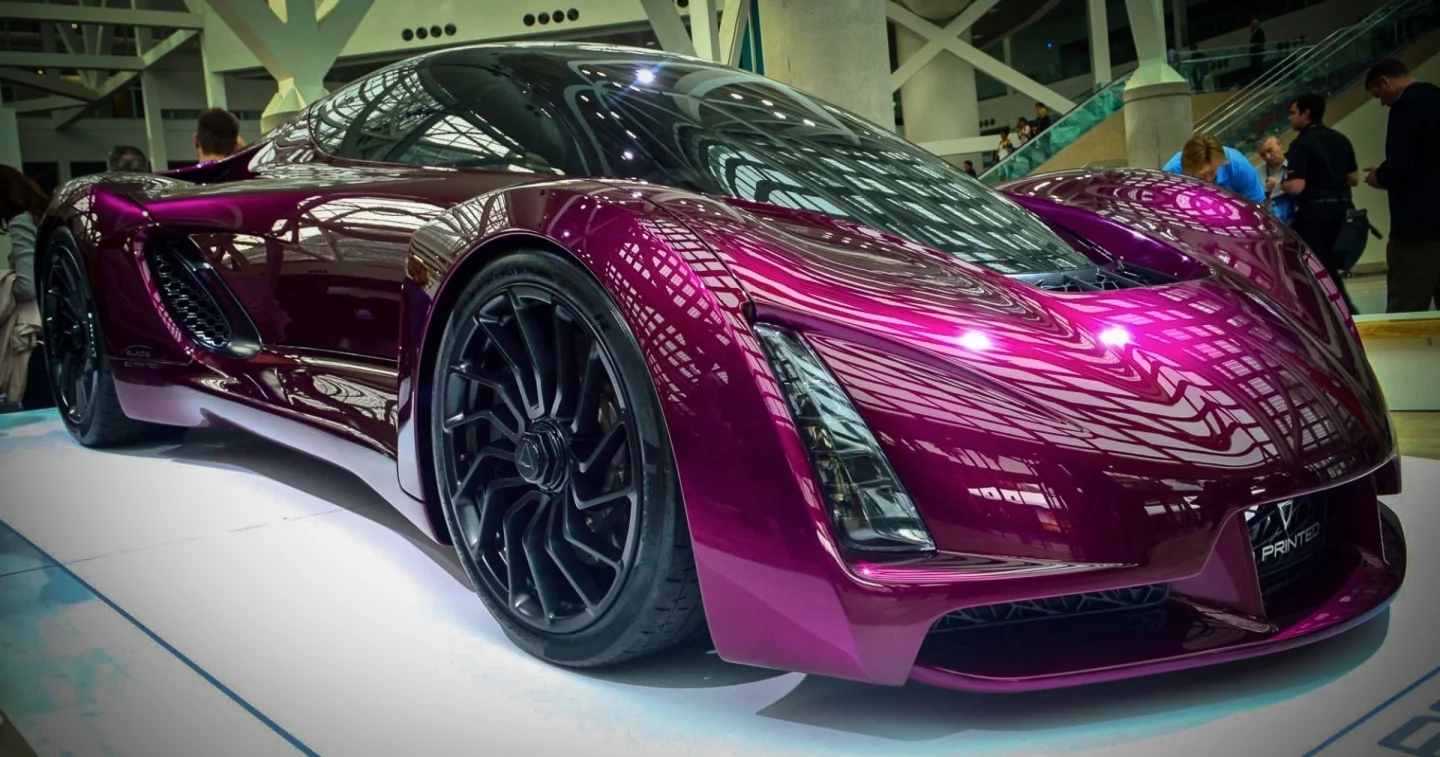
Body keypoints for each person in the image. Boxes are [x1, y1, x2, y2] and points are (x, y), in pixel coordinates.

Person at [1362, 59, 1440, 312]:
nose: (1383, 102)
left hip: (1417, 226)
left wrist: (1379, 177)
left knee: (1406, 303)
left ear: (1385, 81)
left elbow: (1402, 162)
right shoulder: (1435, 97)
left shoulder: (1405, 107)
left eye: (1379, 95)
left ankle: (1407, 353)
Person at [1282, 92, 1361, 313]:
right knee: (1329, 266)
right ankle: (1343, 308)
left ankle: (1336, 310)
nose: (1290, 118)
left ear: (1306, 114)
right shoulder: (1341, 139)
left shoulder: (1301, 145)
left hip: (1315, 215)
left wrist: (1282, 186)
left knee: (1313, 265)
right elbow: (1353, 178)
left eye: (1293, 113)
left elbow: (1297, 186)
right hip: (1342, 210)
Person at [0, 164, 53, 409]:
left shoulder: (21, 222)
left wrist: (4, 282)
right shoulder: (51, 215)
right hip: (69, 333)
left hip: (39, 339)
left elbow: (28, 286)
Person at [1161, 133, 1267, 203]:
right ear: (1189, 168)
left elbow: (1257, 206)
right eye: (1202, 175)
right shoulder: (1172, 173)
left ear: (1222, 162)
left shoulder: (1239, 166)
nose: (1208, 179)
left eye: (1212, 172)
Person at [1258, 135, 1295, 225]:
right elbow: (1258, 207)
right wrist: (1267, 192)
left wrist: (1279, 184)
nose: (1267, 156)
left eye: (1270, 150)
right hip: (1278, 225)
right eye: (1263, 155)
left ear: (1279, 144)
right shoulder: (1257, 173)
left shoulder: (1295, 161)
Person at [1249, 17, 1267, 84]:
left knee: (1259, 67)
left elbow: (1262, 41)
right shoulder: (1253, 32)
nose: (1251, 26)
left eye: (1252, 24)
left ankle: (1262, 81)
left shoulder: (1260, 31)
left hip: (1258, 52)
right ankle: (1257, 81)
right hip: (1253, 53)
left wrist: (1255, 46)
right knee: (1255, 67)